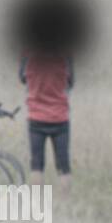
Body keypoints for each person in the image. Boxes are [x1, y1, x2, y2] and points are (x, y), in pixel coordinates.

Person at [19, 51, 73, 195]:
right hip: (60, 117)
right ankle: (64, 202)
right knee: (63, 166)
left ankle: (38, 204)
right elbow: (71, 82)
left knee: (36, 165)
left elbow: (22, 78)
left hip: (36, 117)